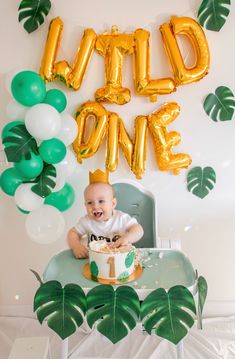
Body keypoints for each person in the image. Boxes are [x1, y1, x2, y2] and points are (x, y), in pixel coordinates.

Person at [67, 170, 144, 259]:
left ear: (113, 204)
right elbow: (72, 233)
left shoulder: (121, 218)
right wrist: (76, 246)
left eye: (101, 201)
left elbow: (139, 230)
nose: (95, 206)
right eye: (90, 202)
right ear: (85, 205)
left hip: (120, 259)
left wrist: (127, 238)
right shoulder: (87, 221)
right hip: (96, 261)